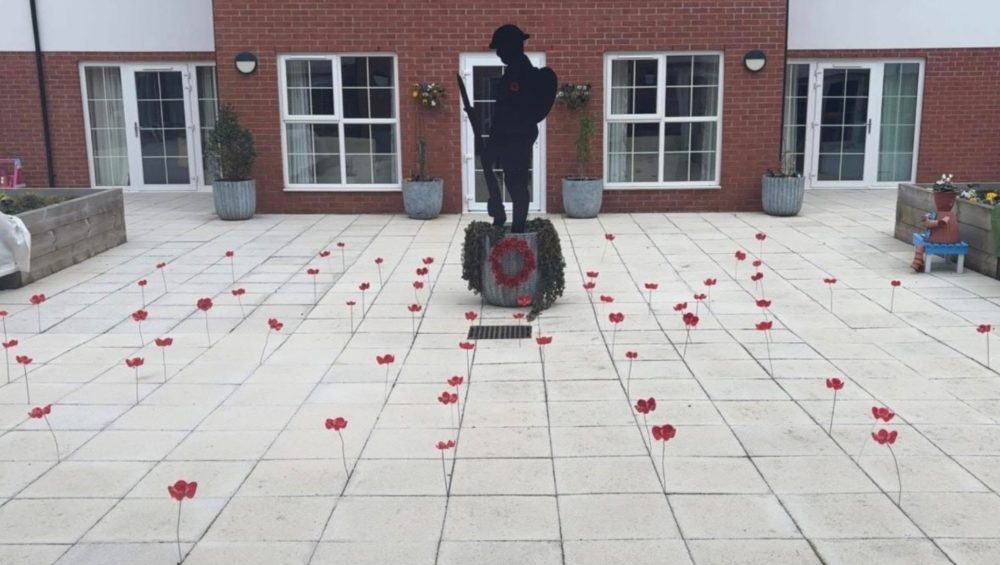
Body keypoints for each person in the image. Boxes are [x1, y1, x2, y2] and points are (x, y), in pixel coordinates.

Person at [479, 24, 556, 233]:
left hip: (516, 135)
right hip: (507, 134)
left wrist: (494, 141)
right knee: (504, 173)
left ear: (512, 47)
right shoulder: (513, 71)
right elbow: (503, 111)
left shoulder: (521, 74)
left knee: (516, 182)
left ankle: (519, 229)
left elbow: (511, 112)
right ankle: (503, 215)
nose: (498, 53)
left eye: (501, 48)